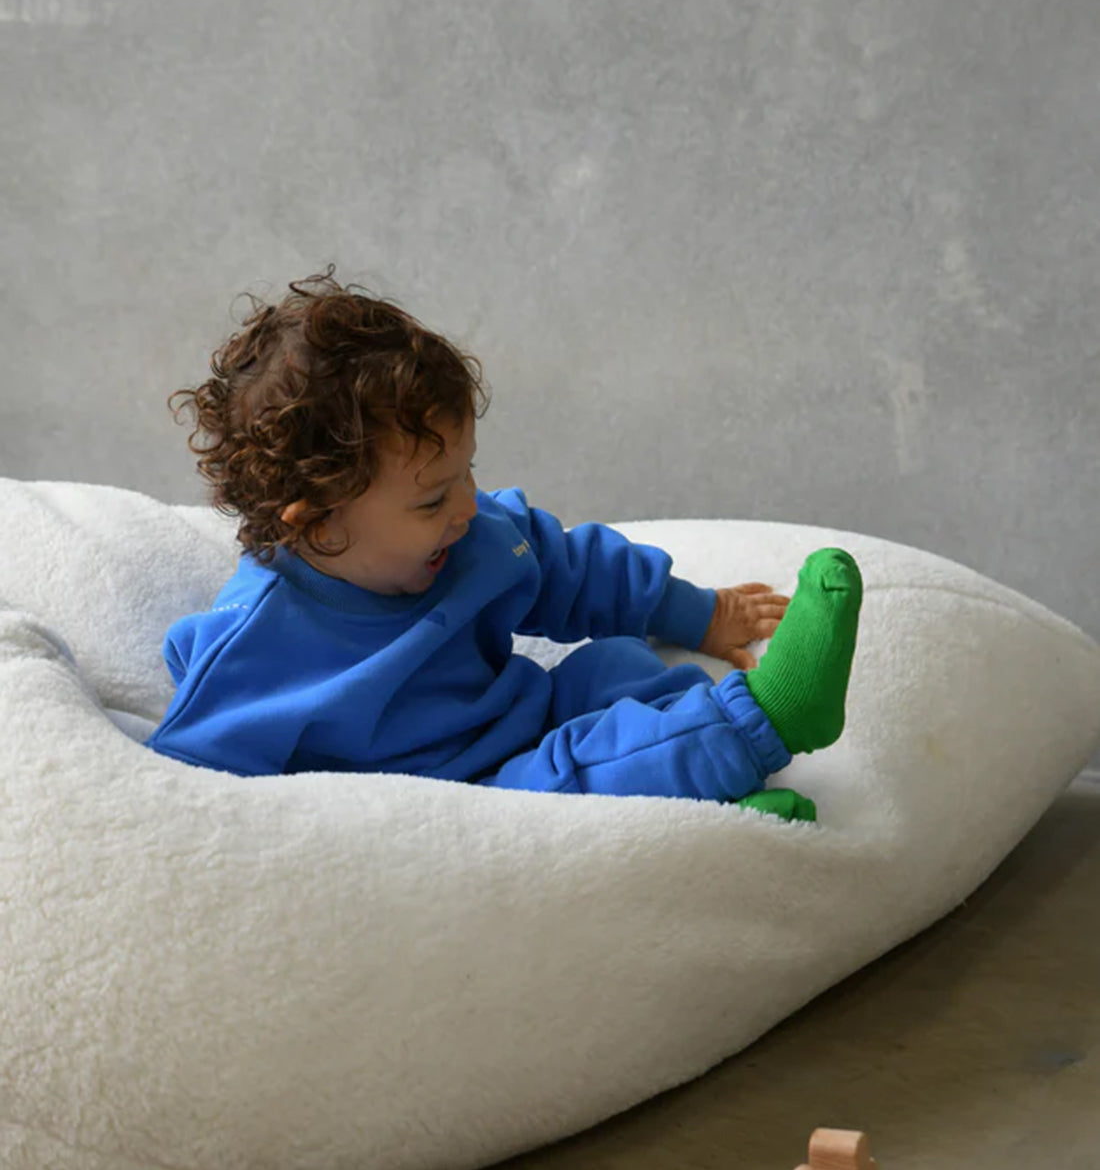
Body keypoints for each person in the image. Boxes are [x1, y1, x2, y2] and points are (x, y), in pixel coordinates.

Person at [146, 270, 862, 821]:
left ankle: (716, 807)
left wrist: (699, 613)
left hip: (522, 713)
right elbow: (188, 790)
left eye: (468, 474)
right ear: (319, 525)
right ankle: (770, 720)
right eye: (432, 498)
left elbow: (572, 568)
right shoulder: (257, 650)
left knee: (615, 664)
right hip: (462, 802)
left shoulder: (469, 536)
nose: (467, 508)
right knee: (566, 781)